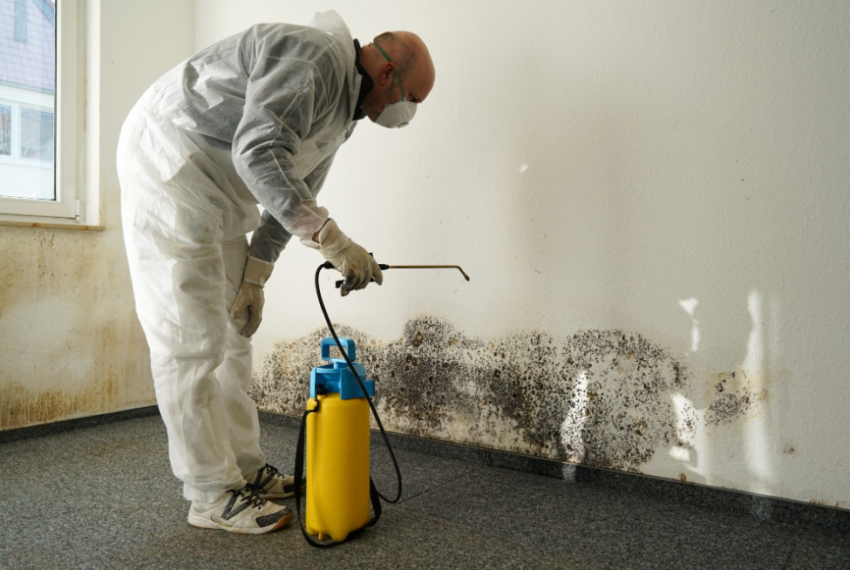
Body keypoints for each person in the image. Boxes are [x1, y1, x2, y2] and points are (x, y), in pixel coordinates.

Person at [117, 11, 435, 535]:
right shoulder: (312, 59)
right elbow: (258, 152)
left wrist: (254, 279)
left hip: (217, 192)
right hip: (170, 167)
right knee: (190, 341)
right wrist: (336, 244)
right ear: (387, 76)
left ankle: (245, 469)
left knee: (233, 337)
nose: (407, 113)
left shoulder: (344, 116)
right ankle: (209, 492)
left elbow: (292, 196)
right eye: (412, 100)